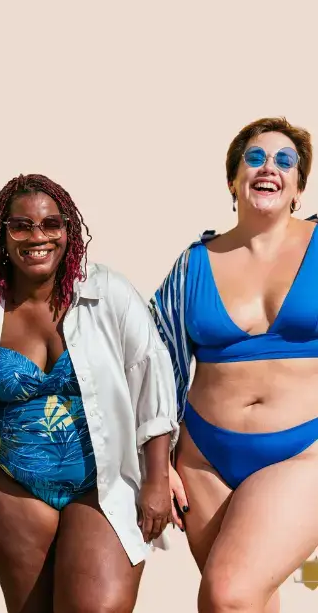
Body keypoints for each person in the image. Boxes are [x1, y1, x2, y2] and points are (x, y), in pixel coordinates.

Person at [0, 174, 179, 613]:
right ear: (2, 235)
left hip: (102, 485)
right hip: (16, 489)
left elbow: (152, 382)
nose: (38, 237)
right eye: (21, 226)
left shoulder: (107, 293)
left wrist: (157, 479)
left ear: (68, 232)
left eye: (51, 224)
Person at [150, 116, 318, 613]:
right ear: (233, 180)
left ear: (298, 188)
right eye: (255, 158)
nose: (269, 167)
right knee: (252, 603)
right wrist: (157, 460)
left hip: (301, 450)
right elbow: (153, 364)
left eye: (284, 160)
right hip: (204, 461)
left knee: (228, 594)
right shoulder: (193, 262)